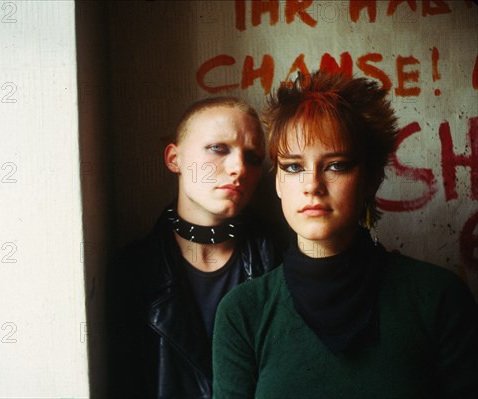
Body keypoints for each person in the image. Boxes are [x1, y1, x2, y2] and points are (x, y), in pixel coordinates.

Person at [212, 71, 478, 398]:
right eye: (293, 167)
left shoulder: (438, 297)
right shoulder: (242, 312)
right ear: (278, 181)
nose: (312, 185)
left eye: (336, 164)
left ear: (371, 179)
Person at [107, 97, 285, 398]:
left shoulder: (283, 261)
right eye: (218, 148)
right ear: (173, 158)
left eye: (253, 158)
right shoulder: (132, 274)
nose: (238, 168)